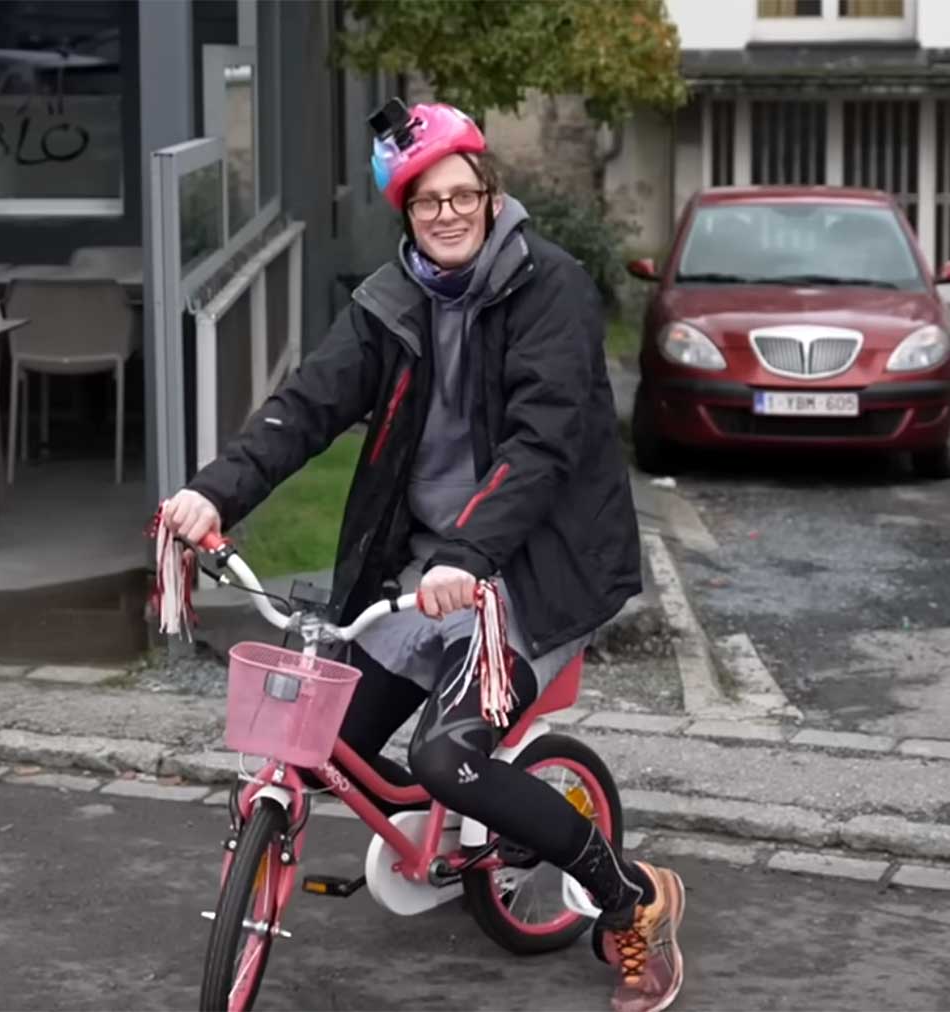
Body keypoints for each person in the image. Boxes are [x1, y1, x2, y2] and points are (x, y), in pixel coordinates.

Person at [156, 99, 685, 1012]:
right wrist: (216, 490)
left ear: (489, 192)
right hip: (429, 573)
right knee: (331, 743)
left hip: (534, 566)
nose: (447, 213)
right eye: (424, 200)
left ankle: (632, 897)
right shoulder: (390, 303)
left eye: (461, 193)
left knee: (444, 756)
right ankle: (454, 841)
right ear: (403, 213)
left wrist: (471, 556)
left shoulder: (549, 288)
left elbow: (541, 446)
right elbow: (307, 406)